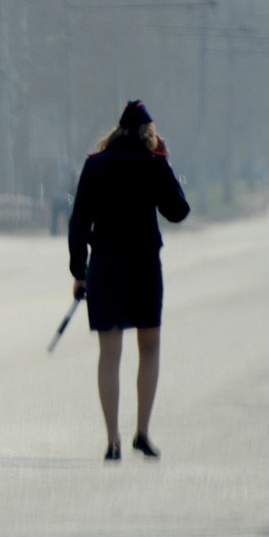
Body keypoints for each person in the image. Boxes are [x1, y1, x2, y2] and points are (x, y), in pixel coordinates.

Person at [68, 100, 190, 462]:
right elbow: (178, 211)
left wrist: (79, 272)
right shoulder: (153, 164)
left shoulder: (95, 165)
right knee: (149, 348)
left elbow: (78, 222)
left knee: (109, 353)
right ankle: (142, 433)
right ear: (149, 134)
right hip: (143, 268)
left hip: (104, 267)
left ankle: (112, 440)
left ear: (118, 131)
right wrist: (164, 161)